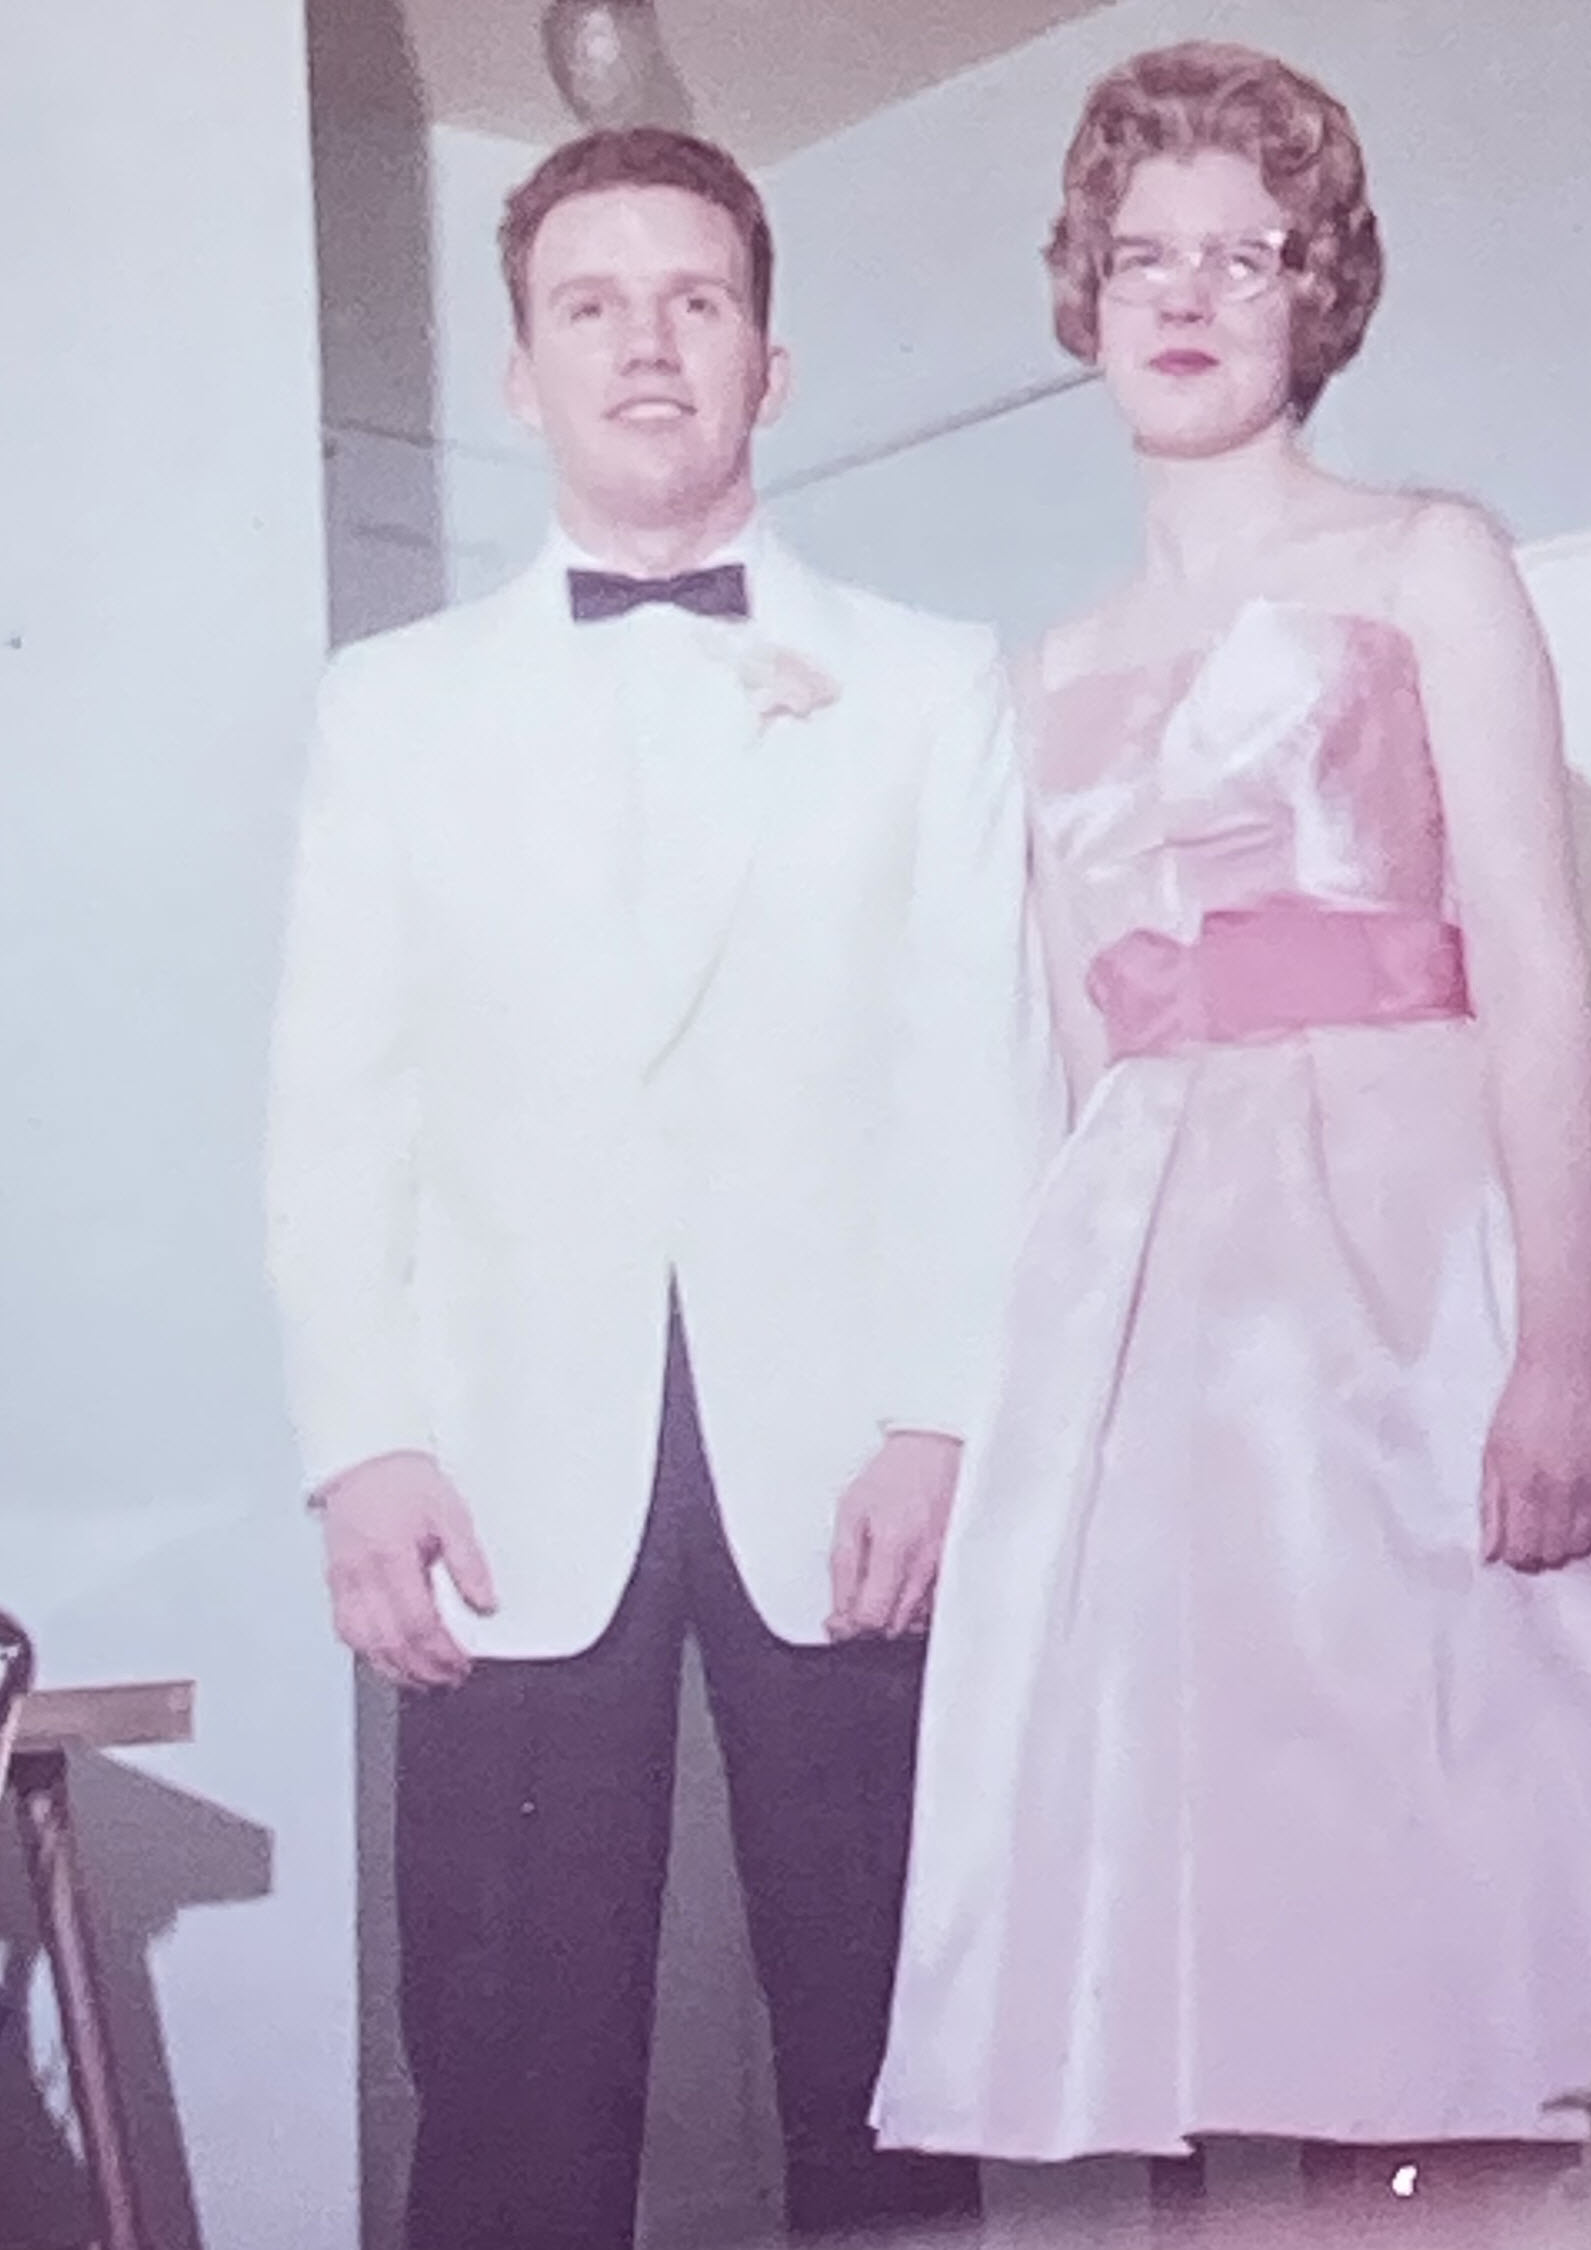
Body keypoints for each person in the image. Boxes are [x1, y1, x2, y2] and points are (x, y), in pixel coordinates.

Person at [871, 41, 1591, 2192]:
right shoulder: (1039, 676)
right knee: (1240, 1935)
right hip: (1163, 1330)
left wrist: (1567, 1355)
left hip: (1416, 1263)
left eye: (1248, 250)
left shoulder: (1429, 559)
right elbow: (1066, 1061)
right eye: (1145, 254)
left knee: (1495, 1905)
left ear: (1321, 293)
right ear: (1085, 292)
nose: (1190, 290)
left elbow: (1531, 962)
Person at [266, 127, 1056, 2245]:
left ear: (767, 362)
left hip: (855, 1464)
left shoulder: (928, 686)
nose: (645, 344)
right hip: (512, 1457)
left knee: (895, 2056)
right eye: (590, 304)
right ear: (520, 372)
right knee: (510, 2054)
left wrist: (947, 1413)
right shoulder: (394, 710)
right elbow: (339, 1102)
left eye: (694, 299)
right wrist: (362, 1446)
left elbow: (986, 1075)